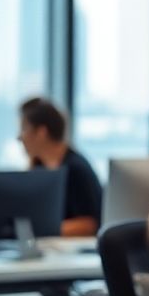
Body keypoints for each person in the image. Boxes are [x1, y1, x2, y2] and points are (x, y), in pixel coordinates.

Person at [18, 96, 104, 237]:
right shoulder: (38, 167)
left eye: (23, 129)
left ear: (41, 132)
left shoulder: (76, 169)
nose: (19, 137)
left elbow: (90, 224)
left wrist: (42, 229)